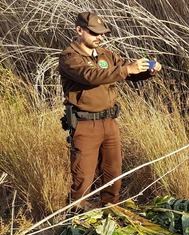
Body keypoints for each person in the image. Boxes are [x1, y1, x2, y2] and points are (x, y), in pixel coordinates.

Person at [58, 12, 162, 209]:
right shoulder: (69, 57)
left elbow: (127, 72)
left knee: (113, 175)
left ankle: (110, 214)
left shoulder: (107, 55)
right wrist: (126, 70)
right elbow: (90, 76)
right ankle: (74, 222)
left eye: (102, 33)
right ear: (79, 30)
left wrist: (148, 70)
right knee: (83, 178)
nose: (99, 37)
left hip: (110, 123)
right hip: (85, 125)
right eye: (94, 32)